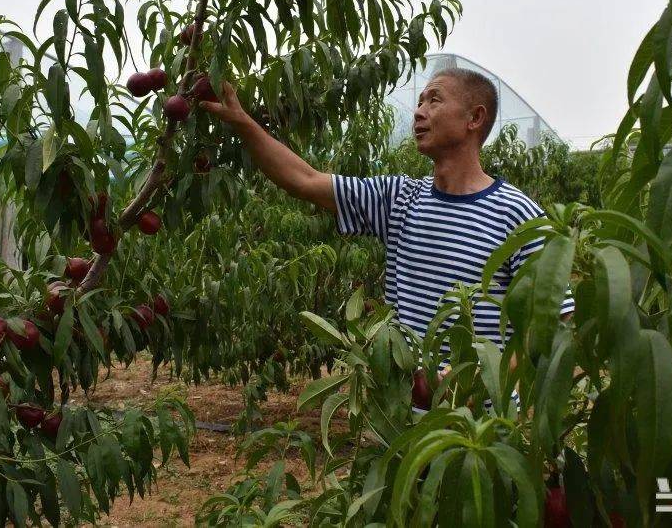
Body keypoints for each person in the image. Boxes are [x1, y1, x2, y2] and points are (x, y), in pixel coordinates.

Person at [199, 67, 573, 351]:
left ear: (474, 118)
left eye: (435, 100)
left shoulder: (518, 216)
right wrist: (242, 122)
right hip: (399, 426)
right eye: (420, 100)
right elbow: (305, 180)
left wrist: (485, 381)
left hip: (475, 438)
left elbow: (562, 326)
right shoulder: (399, 198)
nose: (419, 112)